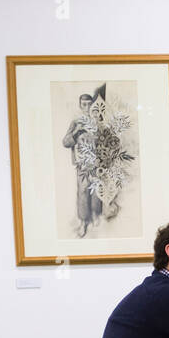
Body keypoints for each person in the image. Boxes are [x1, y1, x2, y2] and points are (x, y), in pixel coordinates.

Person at [62, 92, 103, 237]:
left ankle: (96, 215)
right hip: (82, 165)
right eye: (83, 104)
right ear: (80, 105)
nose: (86, 107)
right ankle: (83, 222)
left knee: (96, 191)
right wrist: (76, 133)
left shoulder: (97, 122)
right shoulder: (76, 122)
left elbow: (104, 143)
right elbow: (65, 142)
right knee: (83, 192)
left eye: (89, 104)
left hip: (96, 164)